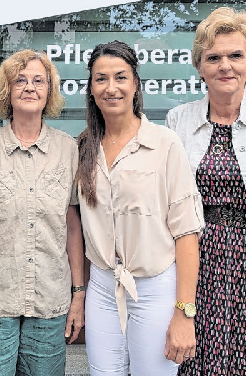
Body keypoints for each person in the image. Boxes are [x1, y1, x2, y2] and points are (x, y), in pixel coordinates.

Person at [76, 40, 204, 376]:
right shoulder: (84, 147)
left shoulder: (165, 144)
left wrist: (184, 312)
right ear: (90, 89)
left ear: (135, 84)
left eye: (120, 77)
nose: (111, 87)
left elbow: (187, 232)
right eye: (100, 79)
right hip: (102, 287)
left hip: (154, 287)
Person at [0, 49, 84, 376]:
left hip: (50, 303)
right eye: (20, 80)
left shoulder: (67, 148)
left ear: (49, 92)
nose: (29, 87)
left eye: (38, 81)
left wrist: (79, 294)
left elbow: (72, 226)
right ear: (7, 90)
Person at [166, 6, 246, 376]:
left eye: (236, 55)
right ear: (200, 67)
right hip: (196, 257)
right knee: (198, 357)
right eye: (214, 57)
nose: (225, 66)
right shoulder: (177, 121)